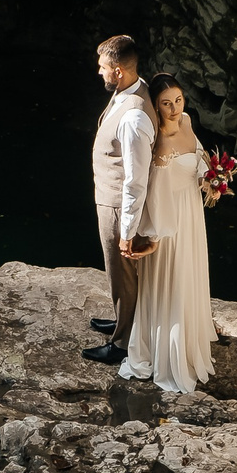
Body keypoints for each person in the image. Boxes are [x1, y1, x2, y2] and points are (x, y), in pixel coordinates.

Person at [122, 73, 217, 392]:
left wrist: (211, 179)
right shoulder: (157, 139)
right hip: (168, 223)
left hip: (192, 213)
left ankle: (190, 337)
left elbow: (199, 156)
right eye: (166, 103)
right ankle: (168, 351)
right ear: (156, 107)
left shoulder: (188, 121)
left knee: (190, 275)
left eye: (178, 100)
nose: (175, 108)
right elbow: (155, 192)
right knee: (173, 280)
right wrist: (153, 236)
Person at [84, 35, 156, 367]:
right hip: (108, 199)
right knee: (116, 272)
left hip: (118, 205)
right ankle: (120, 319)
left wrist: (127, 229)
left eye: (102, 69)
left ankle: (125, 343)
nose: (99, 73)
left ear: (118, 71)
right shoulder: (125, 93)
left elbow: (135, 179)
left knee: (124, 272)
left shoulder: (135, 116)